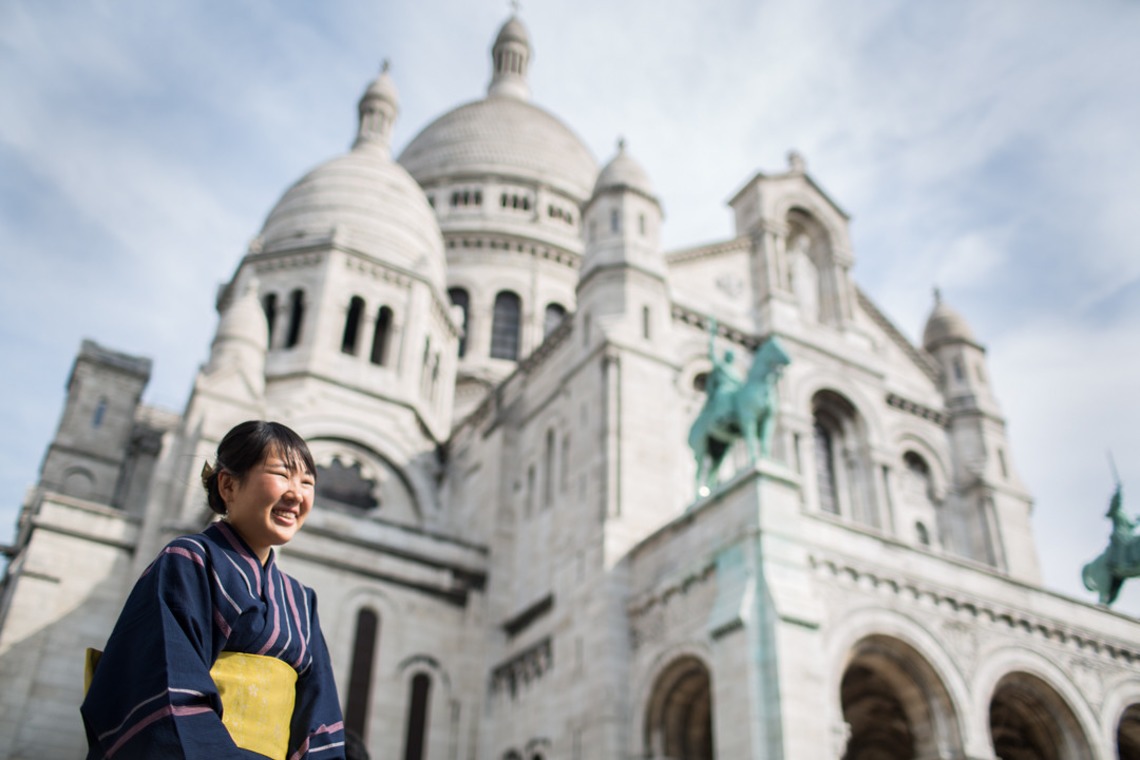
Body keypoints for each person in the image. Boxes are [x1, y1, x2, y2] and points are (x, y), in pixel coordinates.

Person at [81, 420, 346, 759]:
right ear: (228, 485)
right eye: (281, 475)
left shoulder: (301, 600)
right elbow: (165, 686)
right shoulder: (189, 560)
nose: (296, 494)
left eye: (307, 482)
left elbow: (320, 717)